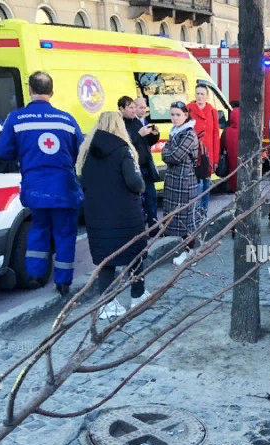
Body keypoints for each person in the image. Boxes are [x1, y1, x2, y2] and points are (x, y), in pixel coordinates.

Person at [0, 71, 84, 295]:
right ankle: (63, 282)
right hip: (64, 187)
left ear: (30, 91)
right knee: (65, 233)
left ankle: (35, 275)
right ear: (51, 92)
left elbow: (2, 151)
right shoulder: (66, 119)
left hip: (35, 188)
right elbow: (80, 151)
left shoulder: (16, 118)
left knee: (38, 229)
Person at [76, 112, 150, 319]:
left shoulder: (86, 151)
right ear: (119, 126)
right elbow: (134, 182)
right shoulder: (123, 150)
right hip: (125, 213)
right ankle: (137, 295)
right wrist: (141, 187)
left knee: (105, 259)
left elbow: (82, 180)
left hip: (97, 214)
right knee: (134, 254)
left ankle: (107, 304)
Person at [163, 101, 200, 266]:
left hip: (184, 181)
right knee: (175, 217)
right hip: (174, 180)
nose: (175, 118)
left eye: (178, 114)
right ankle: (182, 249)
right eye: (172, 114)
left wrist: (166, 151)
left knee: (186, 218)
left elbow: (174, 156)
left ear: (186, 115)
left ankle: (190, 252)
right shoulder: (175, 131)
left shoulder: (189, 134)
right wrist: (167, 150)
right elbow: (168, 152)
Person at [119, 96, 160, 231]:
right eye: (131, 108)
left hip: (146, 166)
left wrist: (154, 135)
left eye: (133, 107)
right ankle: (140, 231)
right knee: (138, 202)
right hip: (134, 168)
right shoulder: (120, 125)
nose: (133, 110)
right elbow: (127, 144)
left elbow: (146, 142)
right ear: (121, 109)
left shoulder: (136, 122)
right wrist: (139, 134)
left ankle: (154, 229)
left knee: (151, 199)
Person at [188, 84, 220, 219]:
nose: (200, 96)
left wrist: (215, 159)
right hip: (193, 153)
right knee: (195, 186)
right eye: (198, 94)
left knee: (206, 186)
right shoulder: (188, 109)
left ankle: (203, 215)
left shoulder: (212, 111)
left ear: (207, 96)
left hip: (208, 154)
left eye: (202, 94)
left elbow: (215, 135)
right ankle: (193, 215)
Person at [221, 106, 240, 192]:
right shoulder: (245, 130)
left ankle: (232, 188)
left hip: (230, 157)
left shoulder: (227, 131)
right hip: (243, 158)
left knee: (232, 170)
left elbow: (222, 144)